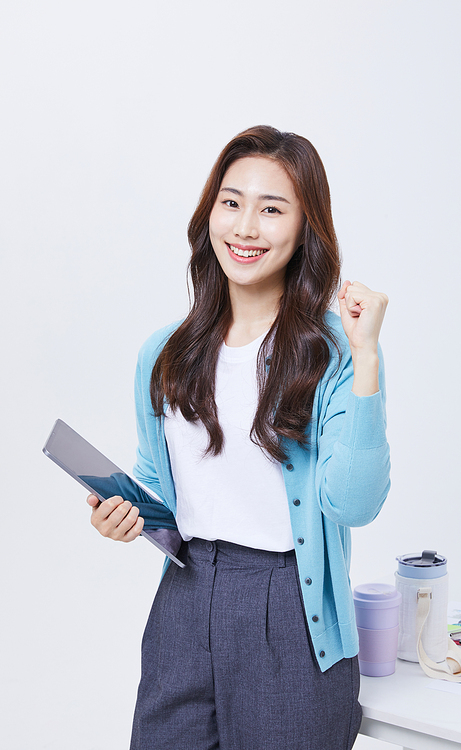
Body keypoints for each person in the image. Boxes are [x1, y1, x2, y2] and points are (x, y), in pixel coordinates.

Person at [87, 125, 390, 750]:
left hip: (290, 610)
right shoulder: (164, 353)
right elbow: (159, 485)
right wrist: (123, 514)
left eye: (272, 209)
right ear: (210, 214)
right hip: (184, 594)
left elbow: (355, 503)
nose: (245, 227)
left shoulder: (332, 352)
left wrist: (367, 360)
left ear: (306, 229)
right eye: (232, 202)